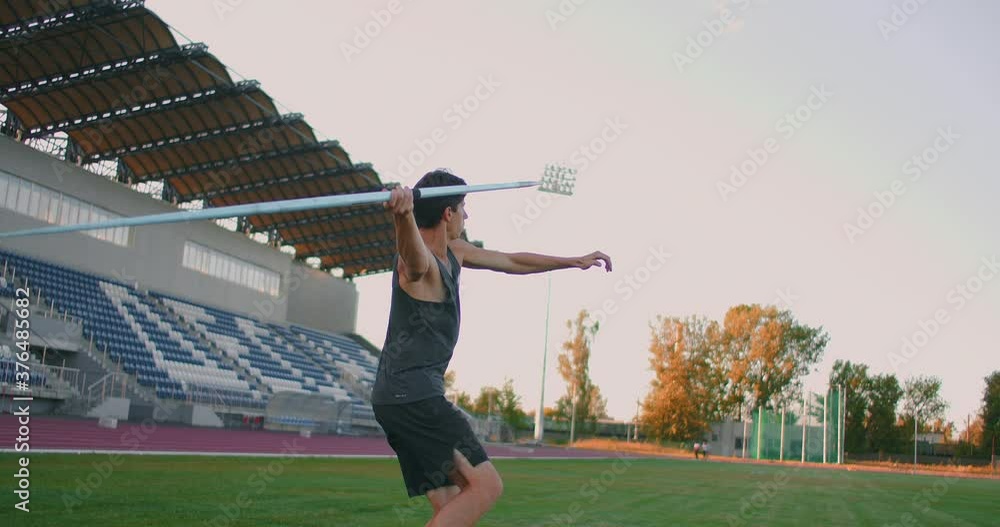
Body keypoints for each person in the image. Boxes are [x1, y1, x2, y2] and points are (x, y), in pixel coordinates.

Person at [371, 170, 612, 526]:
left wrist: (571, 261)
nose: (467, 216)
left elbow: (513, 261)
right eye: (463, 207)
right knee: (486, 486)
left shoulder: (456, 252)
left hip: (400, 397)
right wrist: (403, 216)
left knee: (453, 502)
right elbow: (413, 258)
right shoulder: (418, 265)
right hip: (414, 397)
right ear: (447, 214)